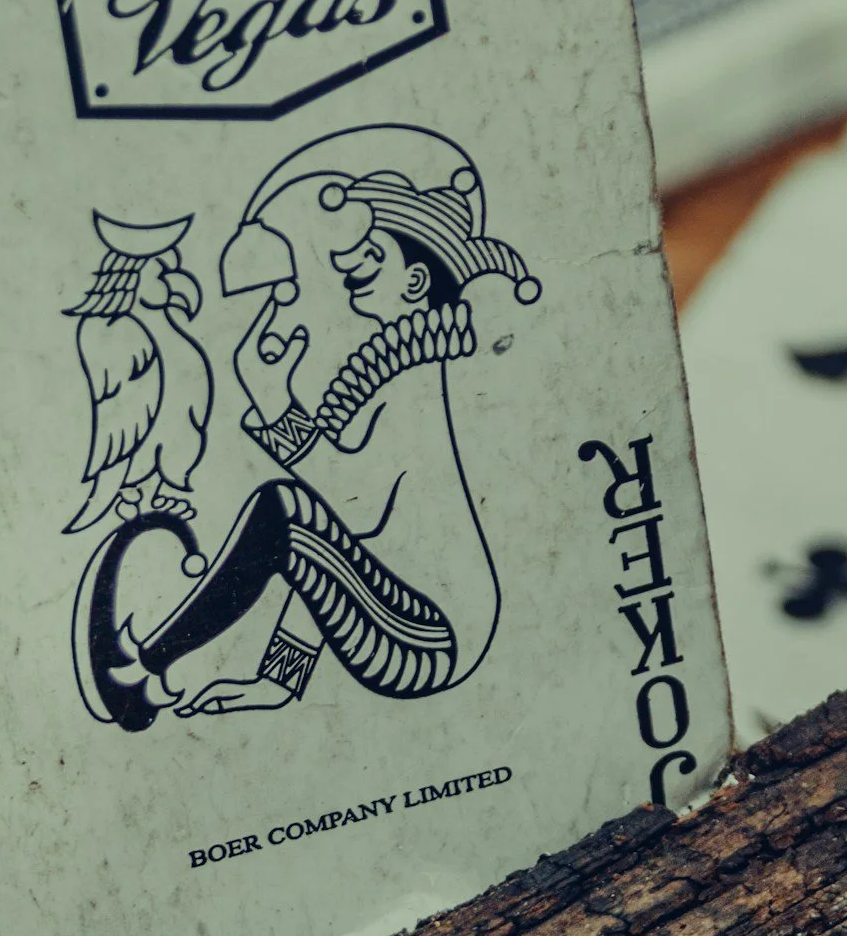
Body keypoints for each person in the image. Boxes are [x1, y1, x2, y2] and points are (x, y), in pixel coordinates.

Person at [80, 125, 539, 731]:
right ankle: (148, 670)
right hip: (408, 622)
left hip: (429, 640)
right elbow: (343, 550)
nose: (350, 264)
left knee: (284, 510)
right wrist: (278, 680)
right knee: (294, 519)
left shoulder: (417, 377)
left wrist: (271, 401)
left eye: (373, 255)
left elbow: (354, 509)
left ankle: (143, 669)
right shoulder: (396, 367)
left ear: (416, 283)